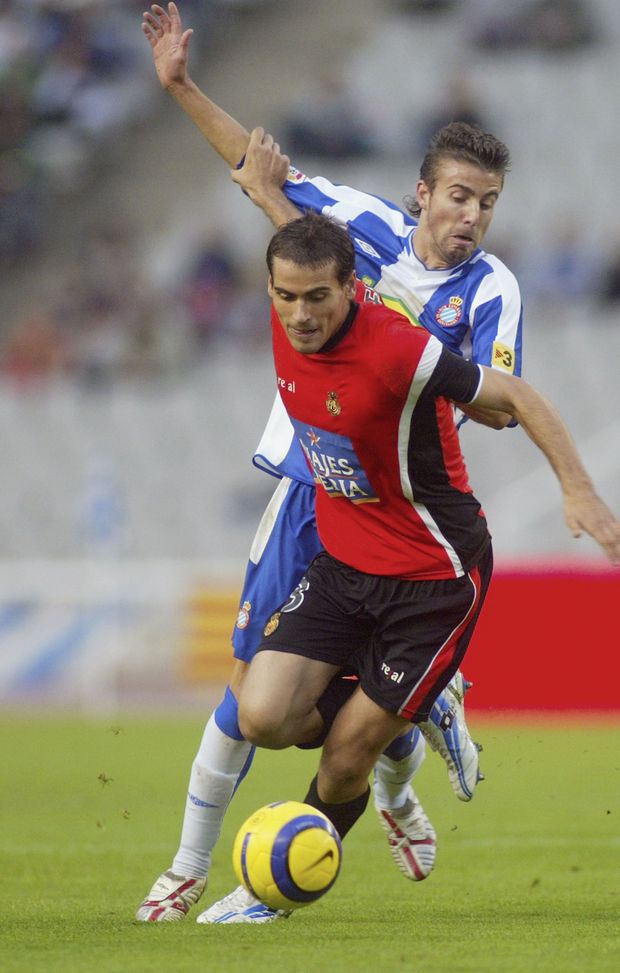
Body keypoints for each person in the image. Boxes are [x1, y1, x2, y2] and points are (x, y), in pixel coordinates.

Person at [136, 1, 520, 924]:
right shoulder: (354, 222)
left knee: (318, 703)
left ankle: (234, 853)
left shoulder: (492, 289)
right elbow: (255, 172)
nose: (471, 217)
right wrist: (184, 86)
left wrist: (400, 340)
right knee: (254, 695)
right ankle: (362, 788)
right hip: (310, 485)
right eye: (459, 196)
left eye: (488, 203)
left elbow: (498, 405)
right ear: (422, 193)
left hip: (396, 505)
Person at [237, 211, 620, 852]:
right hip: (345, 563)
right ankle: (414, 709)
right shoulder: (291, 313)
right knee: (262, 716)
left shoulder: (397, 349)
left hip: (431, 577)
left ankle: (277, 886)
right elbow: (293, 225)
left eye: (317, 298)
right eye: (285, 296)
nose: (300, 314)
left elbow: (517, 396)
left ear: (352, 287)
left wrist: (578, 487)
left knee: (344, 759)